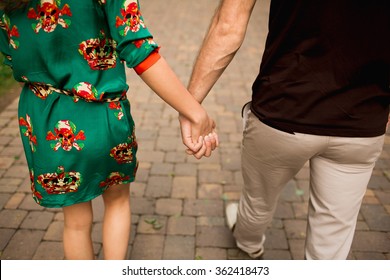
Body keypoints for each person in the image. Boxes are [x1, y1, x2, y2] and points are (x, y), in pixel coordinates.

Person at [0, 0, 217, 260]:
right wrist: (194, 111)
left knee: (75, 222)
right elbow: (139, 50)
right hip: (103, 115)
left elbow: (12, 55)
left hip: (45, 118)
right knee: (117, 201)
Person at [182, 0, 390, 259]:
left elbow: (228, 24)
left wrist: (190, 105)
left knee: (258, 203)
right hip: (363, 120)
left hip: (283, 110)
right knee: (332, 240)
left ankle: (249, 245)